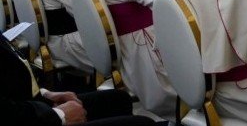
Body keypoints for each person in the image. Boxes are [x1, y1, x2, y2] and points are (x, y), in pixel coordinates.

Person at [0, 35, 155, 126]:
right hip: (33, 119)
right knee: (143, 123)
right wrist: (59, 115)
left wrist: (45, 94)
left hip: (29, 103)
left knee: (119, 99)